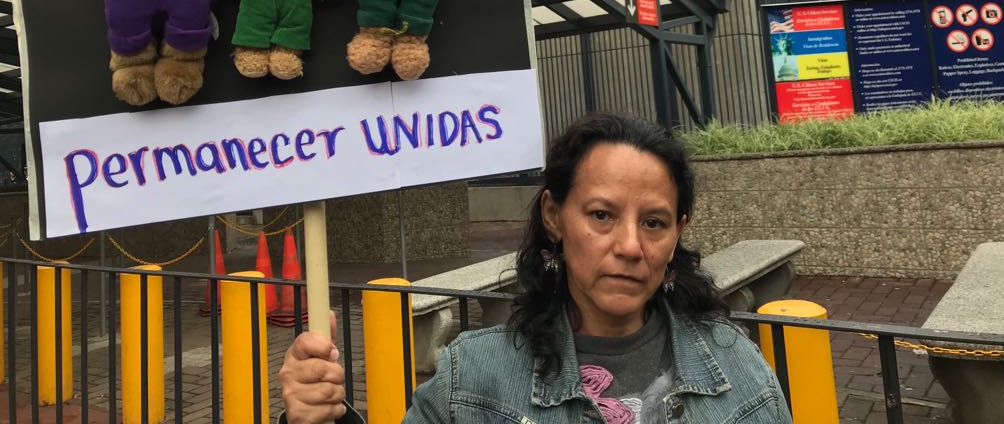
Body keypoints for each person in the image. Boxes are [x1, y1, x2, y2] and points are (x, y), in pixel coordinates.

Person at [278, 113, 792, 423]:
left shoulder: (737, 367)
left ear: (679, 231)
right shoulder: (474, 377)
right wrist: (321, 418)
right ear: (554, 216)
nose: (631, 246)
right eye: (601, 216)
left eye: (654, 222)